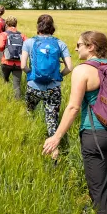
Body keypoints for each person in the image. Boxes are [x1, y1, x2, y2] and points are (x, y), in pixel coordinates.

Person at [42, 31, 107, 214]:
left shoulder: (82, 70)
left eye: (79, 44)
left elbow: (73, 107)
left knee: (100, 192)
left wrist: (56, 137)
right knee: (101, 179)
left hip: (96, 136)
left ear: (91, 47)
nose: (75, 48)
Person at [21, 14, 72, 159]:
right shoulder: (60, 44)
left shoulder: (29, 42)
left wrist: (31, 74)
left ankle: (26, 139)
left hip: (33, 87)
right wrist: (59, 76)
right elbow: (70, 67)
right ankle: (54, 155)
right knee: (52, 122)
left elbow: (23, 65)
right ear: (52, 27)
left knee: (29, 112)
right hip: (53, 89)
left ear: (38, 26)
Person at [0, 15, 27, 99]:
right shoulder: (22, 35)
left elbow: (0, 47)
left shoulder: (4, 34)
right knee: (16, 85)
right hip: (19, 64)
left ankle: (4, 98)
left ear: (6, 24)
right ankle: (17, 101)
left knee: (4, 80)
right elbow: (27, 47)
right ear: (16, 24)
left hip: (6, 62)